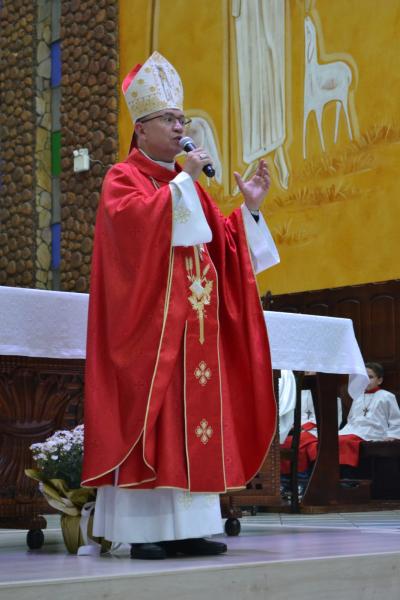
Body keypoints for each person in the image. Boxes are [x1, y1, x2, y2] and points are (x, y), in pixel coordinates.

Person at [82, 51, 279, 560]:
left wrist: (250, 211)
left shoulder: (187, 184)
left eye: (181, 119)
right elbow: (134, 233)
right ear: (141, 129)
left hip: (196, 334)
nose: (180, 127)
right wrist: (184, 181)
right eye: (170, 120)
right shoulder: (121, 178)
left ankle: (190, 528)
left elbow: (222, 246)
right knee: (159, 421)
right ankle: (145, 532)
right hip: (150, 333)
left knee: (196, 426)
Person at [335, 362, 400, 469]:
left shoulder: (387, 396)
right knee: (332, 441)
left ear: (380, 380)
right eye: (364, 377)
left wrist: (392, 435)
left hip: (374, 432)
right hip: (354, 430)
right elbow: (351, 418)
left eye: (370, 377)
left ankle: (349, 472)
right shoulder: (358, 396)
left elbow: (396, 420)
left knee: (343, 441)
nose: (366, 380)